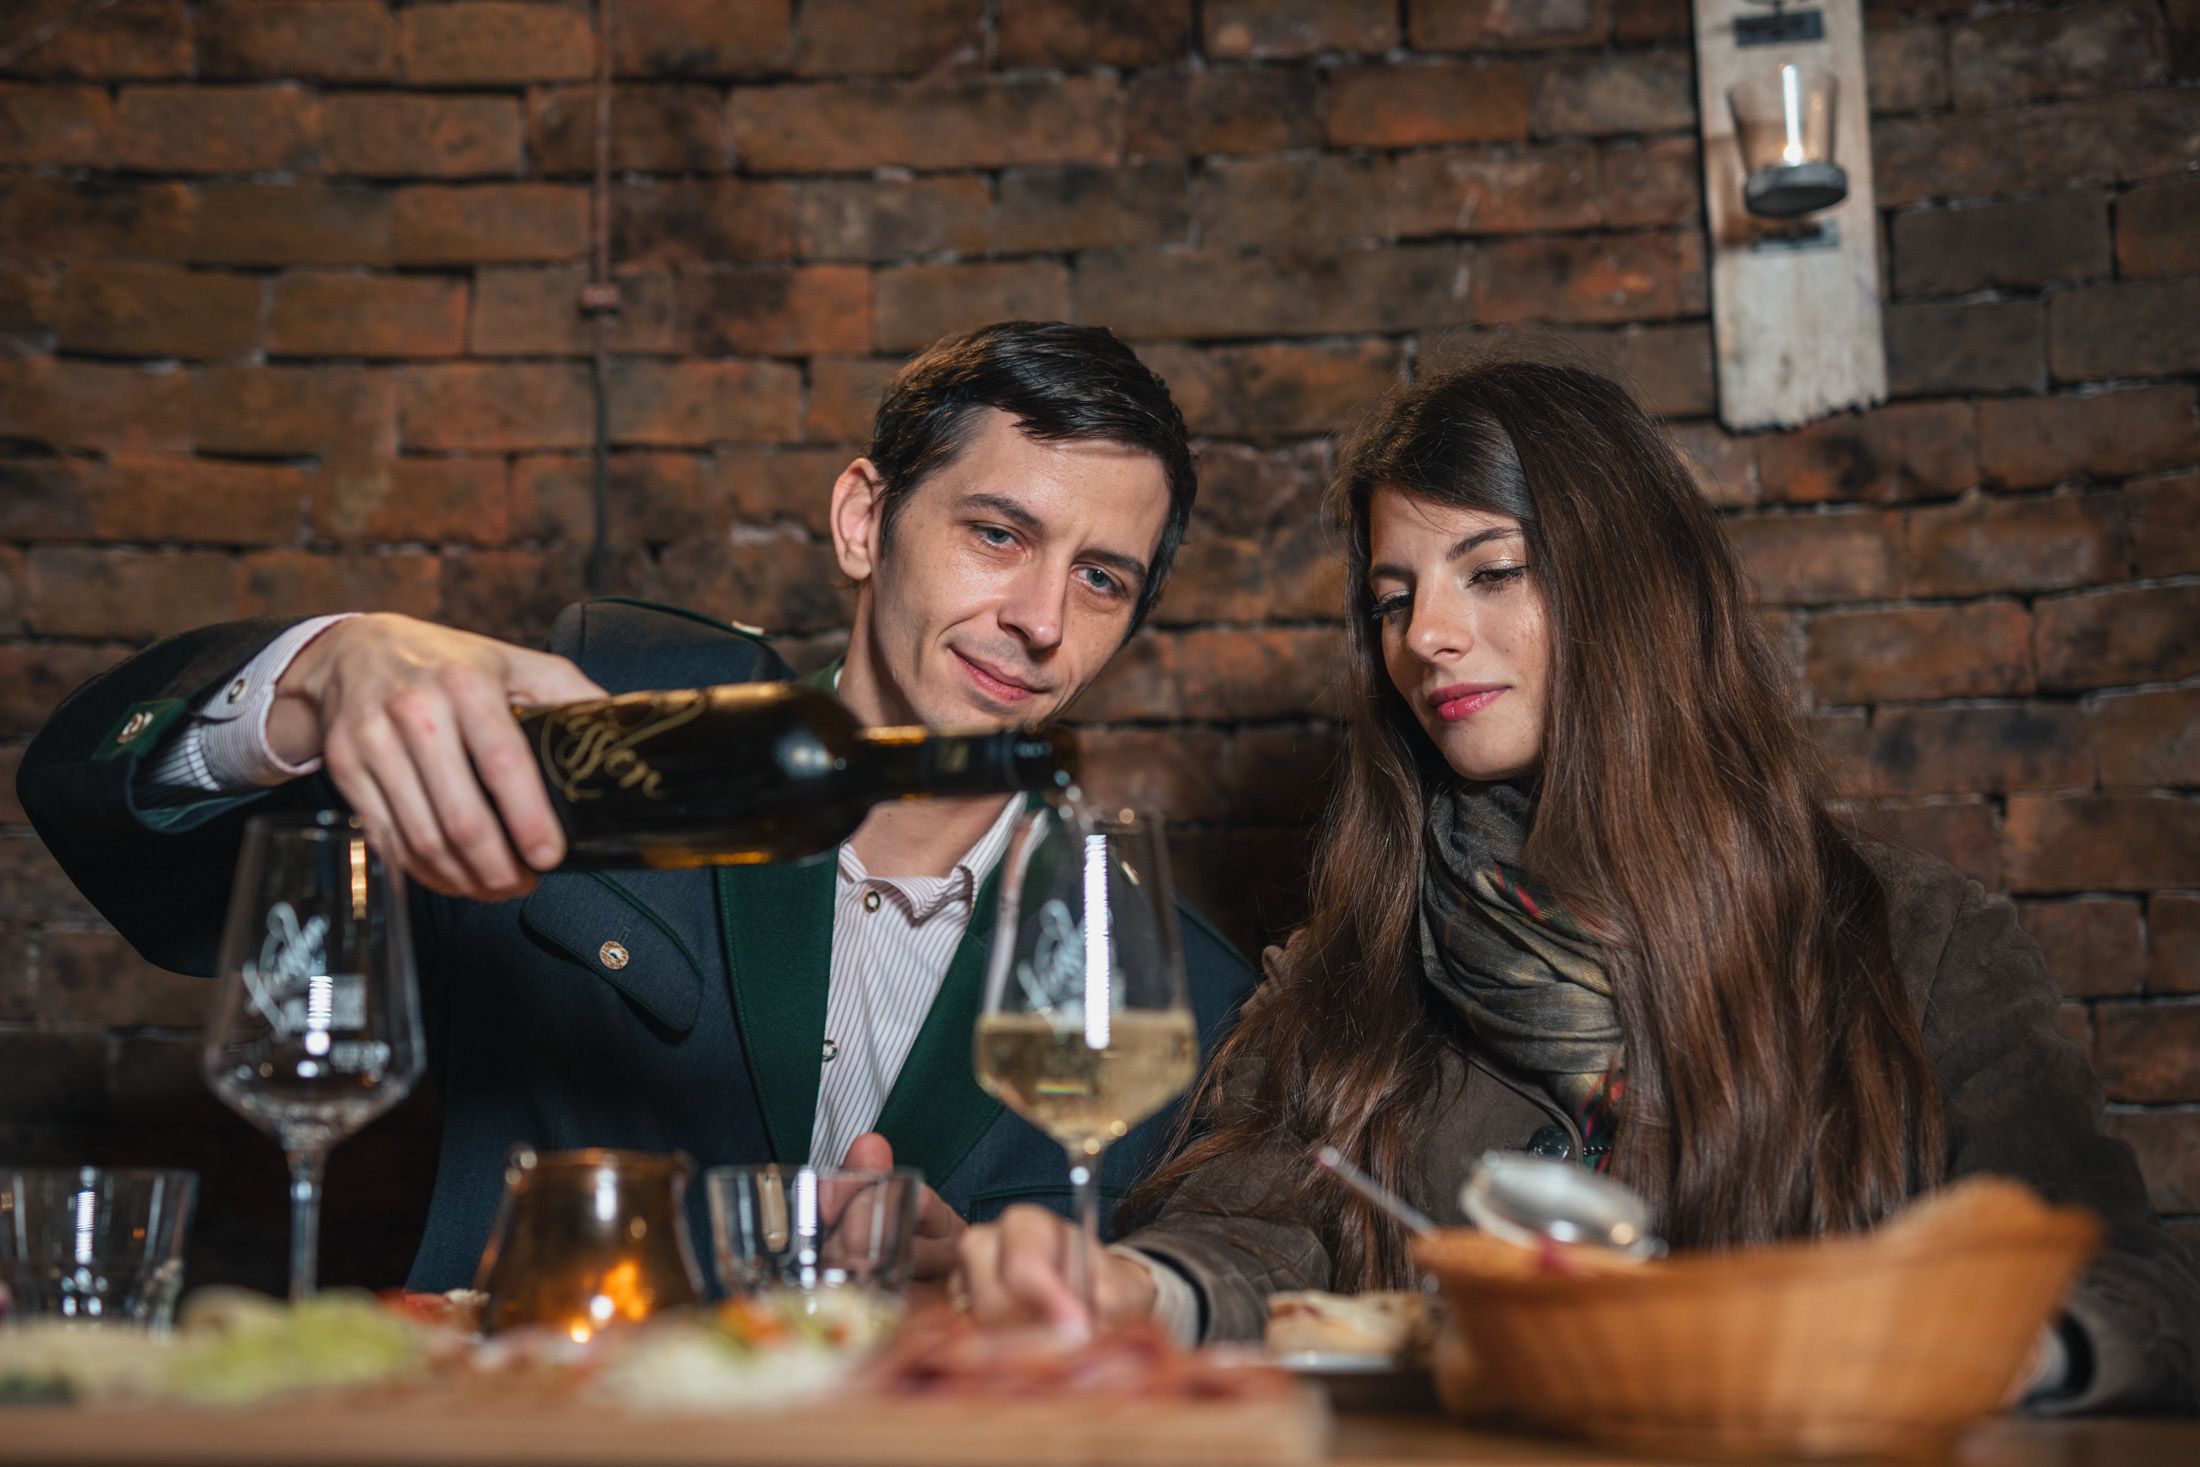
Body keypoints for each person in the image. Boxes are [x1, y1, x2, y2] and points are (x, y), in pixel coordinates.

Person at [955, 359, 2200, 1414]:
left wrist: (1944, 1353)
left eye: (1491, 571)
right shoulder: (1350, 967)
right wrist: (1130, 1287)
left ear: (1627, 585)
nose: (1425, 636)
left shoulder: (1921, 942)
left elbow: (2137, 1289)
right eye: (1394, 599)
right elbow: (1240, 1240)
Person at [17, 320, 1256, 1291]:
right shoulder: (615, 729)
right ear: (865, 519)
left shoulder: (1175, 991)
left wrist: (981, 1299)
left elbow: (1162, 1326)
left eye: (1099, 579)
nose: (1041, 619)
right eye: (997, 533)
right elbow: (119, 831)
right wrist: (319, 675)